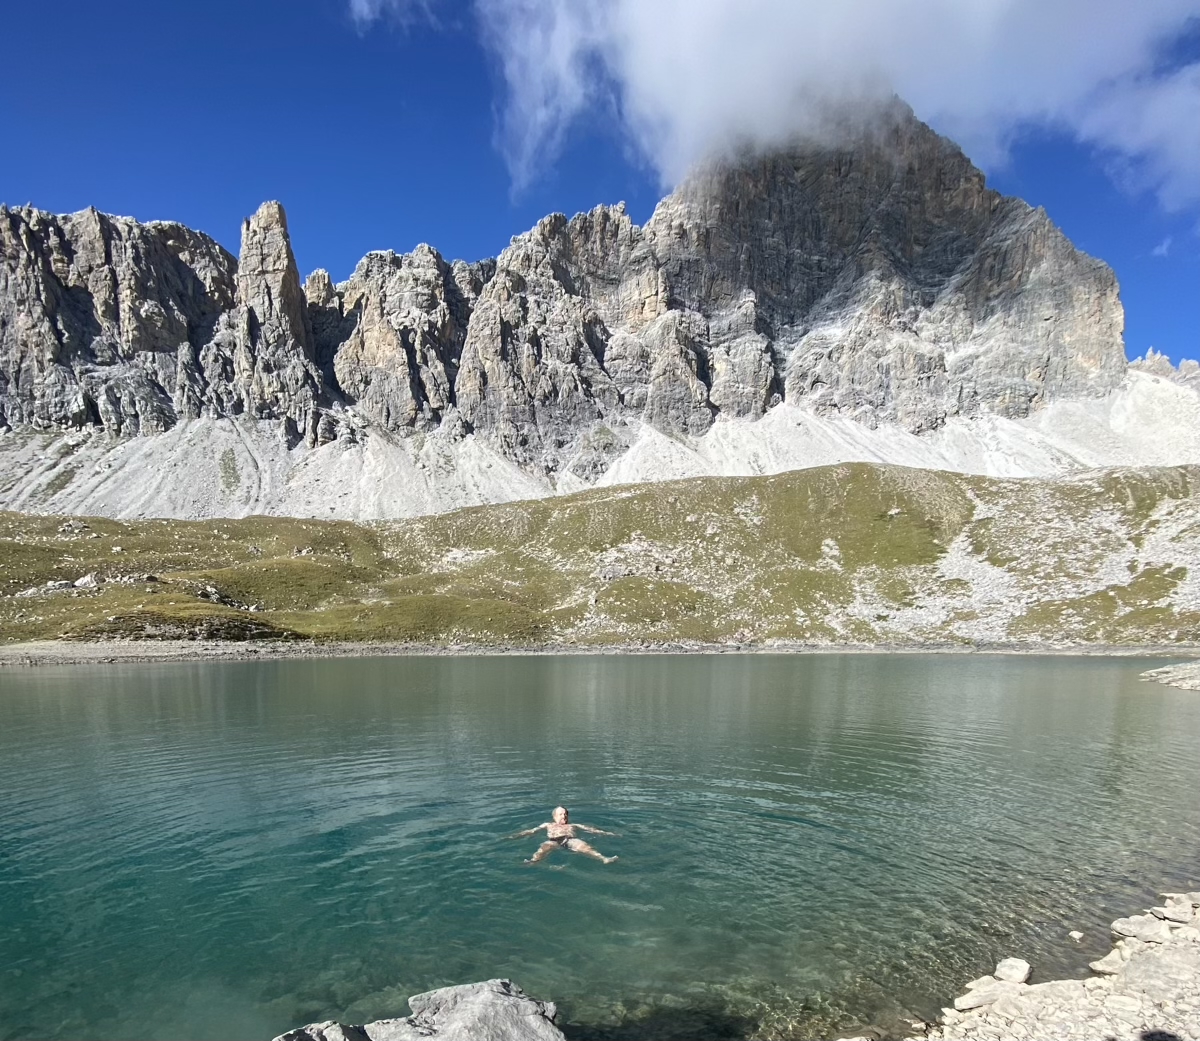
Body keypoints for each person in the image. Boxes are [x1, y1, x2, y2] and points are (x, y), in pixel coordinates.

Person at [511, 806, 618, 864]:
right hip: (553, 840)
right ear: (554, 816)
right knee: (544, 847)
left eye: (565, 814)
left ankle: (604, 858)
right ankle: (533, 861)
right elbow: (532, 831)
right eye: (561, 814)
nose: (564, 816)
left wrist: (608, 834)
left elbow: (592, 830)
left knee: (584, 846)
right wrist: (517, 835)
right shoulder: (547, 824)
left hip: (569, 839)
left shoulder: (574, 825)